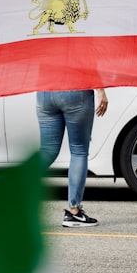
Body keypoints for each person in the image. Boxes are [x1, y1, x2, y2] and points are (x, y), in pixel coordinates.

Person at [38, 86, 108, 227]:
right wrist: (101, 91)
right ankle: (74, 212)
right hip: (76, 90)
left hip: (44, 92)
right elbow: (90, 63)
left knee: (47, 150)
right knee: (79, 150)